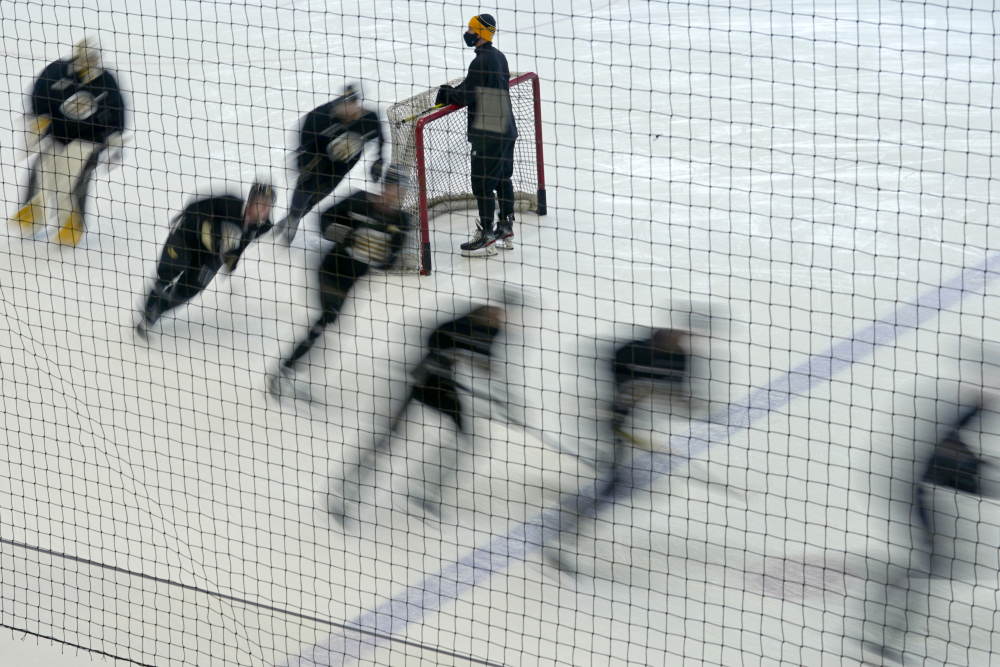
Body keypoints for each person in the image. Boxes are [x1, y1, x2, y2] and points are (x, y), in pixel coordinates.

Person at [328, 304, 505, 524]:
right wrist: (452, 357)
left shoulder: (493, 333)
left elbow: (486, 361)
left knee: (466, 440)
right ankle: (343, 494)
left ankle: (424, 491)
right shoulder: (457, 325)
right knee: (387, 441)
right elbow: (432, 342)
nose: (498, 317)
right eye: (493, 313)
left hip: (443, 388)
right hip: (418, 383)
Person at [545, 328, 689, 576]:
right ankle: (564, 533)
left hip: (641, 428)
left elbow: (680, 397)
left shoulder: (680, 357)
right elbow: (617, 386)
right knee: (615, 486)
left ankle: (568, 522)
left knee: (622, 487)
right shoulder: (633, 350)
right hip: (616, 425)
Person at [267, 164, 411, 400]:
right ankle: (283, 372)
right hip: (330, 272)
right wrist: (347, 235)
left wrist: (388, 251)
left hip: (351, 282)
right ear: (384, 186)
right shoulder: (359, 200)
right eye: (393, 188)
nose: (395, 194)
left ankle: (289, 371)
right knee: (324, 323)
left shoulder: (402, 222)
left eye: (400, 191)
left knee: (327, 328)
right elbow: (322, 219)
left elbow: (388, 264)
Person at [11, 36, 127, 246]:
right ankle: (32, 217)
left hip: (89, 140)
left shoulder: (106, 81)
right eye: (88, 57)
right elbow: (38, 96)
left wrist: (115, 139)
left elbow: (117, 111)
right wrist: (38, 119)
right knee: (42, 172)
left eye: (95, 57)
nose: (91, 61)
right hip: (57, 135)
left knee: (72, 181)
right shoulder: (56, 72)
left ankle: (71, 226)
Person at [136, 181, 275, 336]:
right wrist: (207, 227)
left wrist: (233, 258)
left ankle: (157, 311)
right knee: (170, 269)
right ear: (250, 200)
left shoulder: (264, 225)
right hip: (189, 235)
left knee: (190, 289)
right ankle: (150, 305)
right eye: (261, 203)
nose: (264, 209)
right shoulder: (229, 203)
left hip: (212, 254)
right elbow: (194, 207)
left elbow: (244, 241)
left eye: (268, 205)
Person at [435, 14, 518, 258]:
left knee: (482, 185)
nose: (468, 34)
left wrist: (447, 94)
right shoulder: (498, 56)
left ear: (480, 33)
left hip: (488, 133)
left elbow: (465, 96)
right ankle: (505, 228)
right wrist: (457, 91)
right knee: (502, 178)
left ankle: (486, 238)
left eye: (471, 30)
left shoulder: (480, 62)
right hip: (506, 129)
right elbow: (479, 87)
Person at [274, 83, 386, 244]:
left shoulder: (369, 119)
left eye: (353, 104)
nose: (349, 110)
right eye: (345, 105)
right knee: (306, 187)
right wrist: (302, 158)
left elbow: (381, 136)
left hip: (342, 167)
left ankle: (294, 216)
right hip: (318, 159)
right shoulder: (321, 116)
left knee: (318, 196)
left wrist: (378, 160)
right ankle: (293, 216)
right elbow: (304, 133)